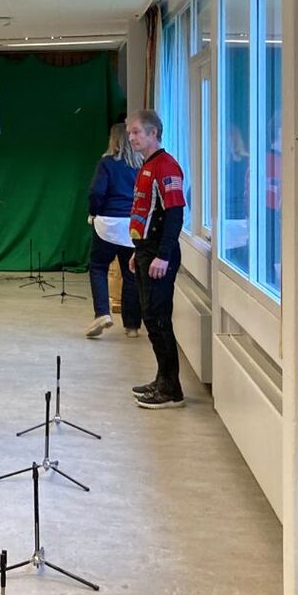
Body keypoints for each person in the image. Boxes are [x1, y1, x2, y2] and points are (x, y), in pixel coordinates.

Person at [127, 109, 186, 409]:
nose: (132, 137)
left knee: (159, 317)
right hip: (146, 249)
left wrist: (162, 255)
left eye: (137, 131)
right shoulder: (146, 165)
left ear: (153, 133)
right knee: (150, 316)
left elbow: (174, 214)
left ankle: (172, 389)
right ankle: (162, 378)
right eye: (130, 132)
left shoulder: (167, 166)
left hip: (160, 252)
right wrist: (140, 251)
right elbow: (147, 212)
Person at [85, 123, 143, 338]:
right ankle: (132, 326)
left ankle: (102, 313)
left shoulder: (107, 163)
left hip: (108, 223)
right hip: (132, 225)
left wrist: (94, 212)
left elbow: (96, 192)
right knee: (131, 273)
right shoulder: (141, 165)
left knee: (98, 267)